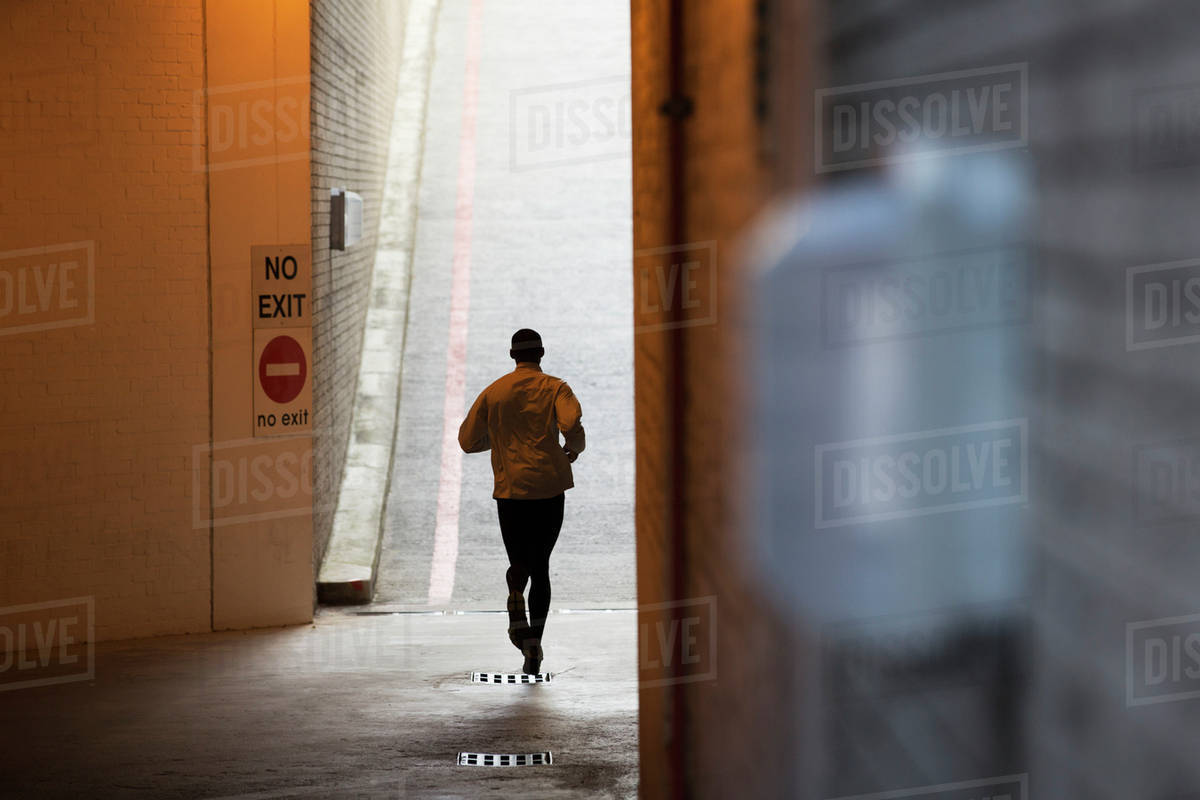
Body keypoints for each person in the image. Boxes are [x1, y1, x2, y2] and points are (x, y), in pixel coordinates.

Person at [458, 329, 586, 674]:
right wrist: (573, 447)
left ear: (511, 355)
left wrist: (498, 441)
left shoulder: (494, 392)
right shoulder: (556, 387)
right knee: (541, 565)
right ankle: (533, 650)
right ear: (541, 353)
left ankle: (516, 584)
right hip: (548, 487)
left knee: (522, 561)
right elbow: (571, 421)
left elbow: (467, 441)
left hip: (510, 492)